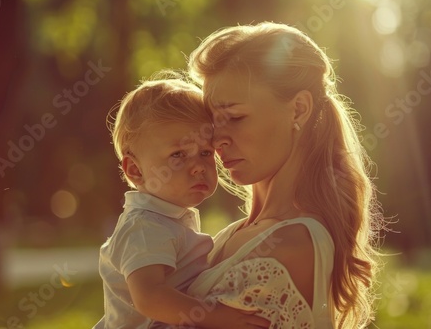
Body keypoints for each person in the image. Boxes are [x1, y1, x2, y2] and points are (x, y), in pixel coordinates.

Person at [179, 22, 384, 329]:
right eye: (213, 121)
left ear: (298, 110)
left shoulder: (289, 245)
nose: (216, 139)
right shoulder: (234, 235)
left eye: (235, 117)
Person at [93, 73, 271, 329]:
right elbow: (150, 298)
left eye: (205, 152)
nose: (198, 166)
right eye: (178, 154)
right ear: (135, 170)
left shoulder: (167, 220)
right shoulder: (144, 227)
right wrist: (216, 317)